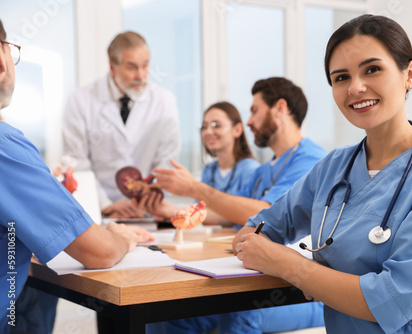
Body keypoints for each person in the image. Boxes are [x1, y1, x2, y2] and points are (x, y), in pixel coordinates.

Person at [233, 14, 412, 334]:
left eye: (372, 69)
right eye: (340, 78)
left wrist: (293, 267)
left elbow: (393, 300)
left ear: (410, 74)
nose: (355, 87)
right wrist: (298, 269)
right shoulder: (333, 167)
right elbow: (256, 232)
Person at [0, 19, 155, 334]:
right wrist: (121, 237)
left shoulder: (160, 100)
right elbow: (102, 252)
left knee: (34, 295)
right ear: (2, 61)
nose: (140, 74)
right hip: (104, 220)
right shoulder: (7, 148)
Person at [146, 77, 326, 333]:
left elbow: (263, 215)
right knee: (169, 315)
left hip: (300, 291)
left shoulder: (313, 161)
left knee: (239, 315)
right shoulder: (264, 170)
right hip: (258, 277)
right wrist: (168, 211)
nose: (249, 121)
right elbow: (225, 213)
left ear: (280, 109)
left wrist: (194, 188)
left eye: (254, 111)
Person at [62, 31, 181, 219]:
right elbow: (78, 162)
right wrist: (106, 205)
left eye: (145, 65)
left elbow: (168, 157)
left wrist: (152, 193)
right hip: (100, 213)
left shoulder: (164, 101)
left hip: (147, 211)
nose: (141, 75)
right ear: (112, 66)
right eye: (132, 67)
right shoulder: (80, 101)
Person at [140, 101, 260, 225]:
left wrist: (174, 211)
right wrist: (167, 210)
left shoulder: (250, 169)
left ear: (237, 129)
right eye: (204, 126)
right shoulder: (209, 170)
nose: (208, 131)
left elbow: (241, 215)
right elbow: (199, 212)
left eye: (216, 125)